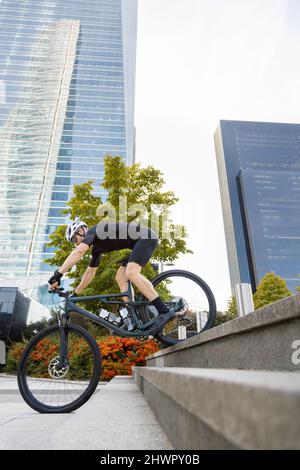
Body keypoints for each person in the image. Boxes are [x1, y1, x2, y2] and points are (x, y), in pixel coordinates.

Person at [48, 219, 174, 328]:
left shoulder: (94, 231)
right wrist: (76, 293)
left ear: (82, 229)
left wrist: (58, 274)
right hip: (138, 243)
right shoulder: (97, 248)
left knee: (131, 272)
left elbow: (79, 251)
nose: (76, 243)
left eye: (75, 238)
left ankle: (164, 311)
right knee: (120, 276)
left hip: (146, 238)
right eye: (74, 242)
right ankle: (133, 316)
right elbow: (90, 272)